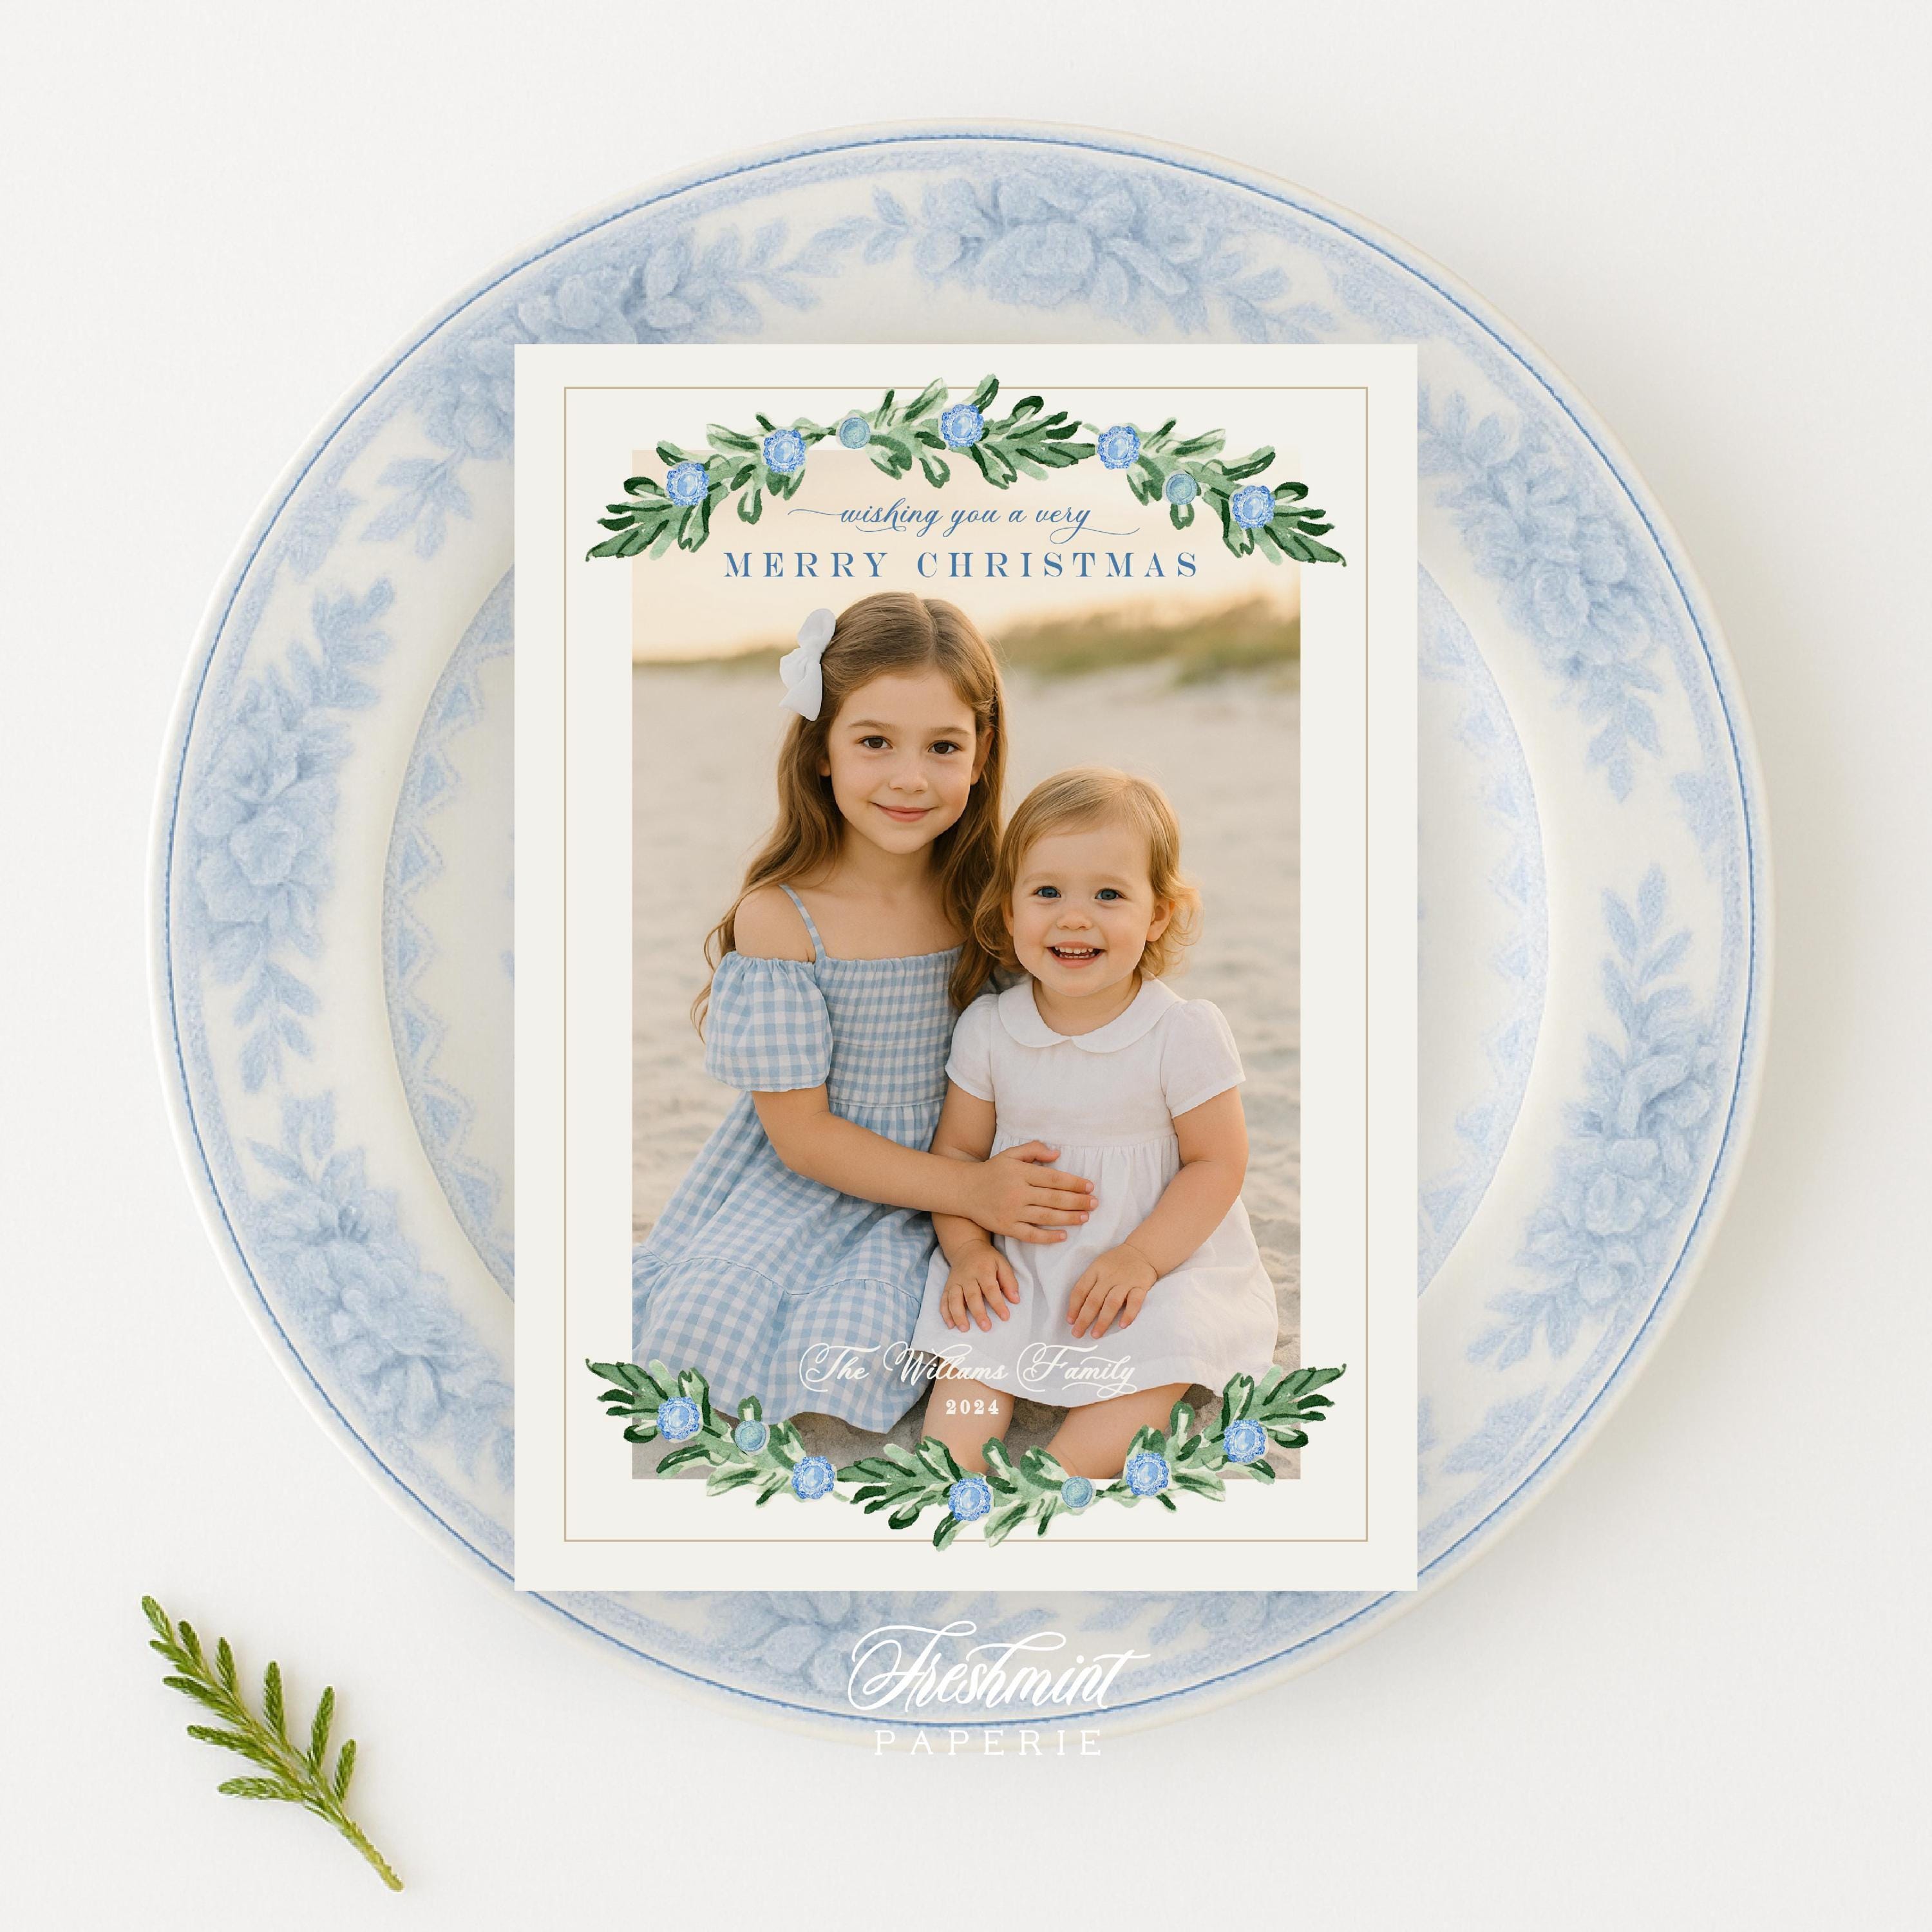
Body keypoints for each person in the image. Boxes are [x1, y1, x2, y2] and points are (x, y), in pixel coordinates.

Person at [632, 592, 1096, 1432]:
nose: (910, 777)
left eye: (943, 746)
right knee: (722, 1312)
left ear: (982, 755)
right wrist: (971, 1190)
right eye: (875, 742)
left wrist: (992, 1184)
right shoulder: (783, 918)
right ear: (821, 750)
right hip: (819, 1176)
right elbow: (803, 1138)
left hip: (970, 1160)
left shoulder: (996, 898)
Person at [909, 766, 1279, 1478]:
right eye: (1047, 892)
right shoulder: (990, 1028)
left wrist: (1142, 1259)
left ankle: (1057, 1476)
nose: (1074, 918)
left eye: (1109, 895)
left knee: (1160, 1353)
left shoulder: (1180, 1032)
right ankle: (950, 1479)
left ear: (1157, 915)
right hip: (1024, 1261)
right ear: (1009, 911)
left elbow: (1217, 1163)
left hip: (1159, 1257)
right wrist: (970, 1251)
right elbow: (956, 1157)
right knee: (972, 1348)